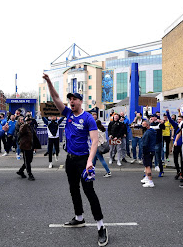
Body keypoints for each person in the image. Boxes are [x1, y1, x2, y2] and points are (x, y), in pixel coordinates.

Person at [43, 73, 108, 247]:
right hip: (70, 160)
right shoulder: (67, 114)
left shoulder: (87, 118)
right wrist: (49, 82)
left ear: (80, 101)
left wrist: (89, 162)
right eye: (70, 99)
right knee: (73, 189)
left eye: (74, 99)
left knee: (89, 192)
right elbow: (56, 97)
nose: (71, 101)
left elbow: (94, 141)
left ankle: (101, 227)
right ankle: (79, 217)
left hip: (83, 160)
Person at [166, 110, 183, 182]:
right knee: (175, 160)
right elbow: (170, 120)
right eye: (178, 119)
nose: (179, 121)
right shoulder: (176, 125)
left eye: (180, 119)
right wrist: (167, 113)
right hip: (176, 145)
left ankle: (182, 174)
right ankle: (178, 171)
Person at [16, 117, 36, 181]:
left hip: (30, 145)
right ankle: (30, 174)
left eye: (29, 120)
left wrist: (35, 145)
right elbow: (21, 132)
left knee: (30, 160)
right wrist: (25, 124)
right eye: (22, 119)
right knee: (27, 161)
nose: (28, 121)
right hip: (25, 146)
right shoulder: (23, 126)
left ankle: (21, 170)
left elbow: (33, 136)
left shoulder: (30, 126)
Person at [140, 120, 157, 187]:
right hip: (151, 150)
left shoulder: (147, 133)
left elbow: (145, 143)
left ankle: (150, 181)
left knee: (147, 166)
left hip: (147, 151)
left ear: (147, 125)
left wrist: (143, 152)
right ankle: (147, 178)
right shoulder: (152, 131)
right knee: (147, 165)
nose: (142, 126)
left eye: (143, 125)